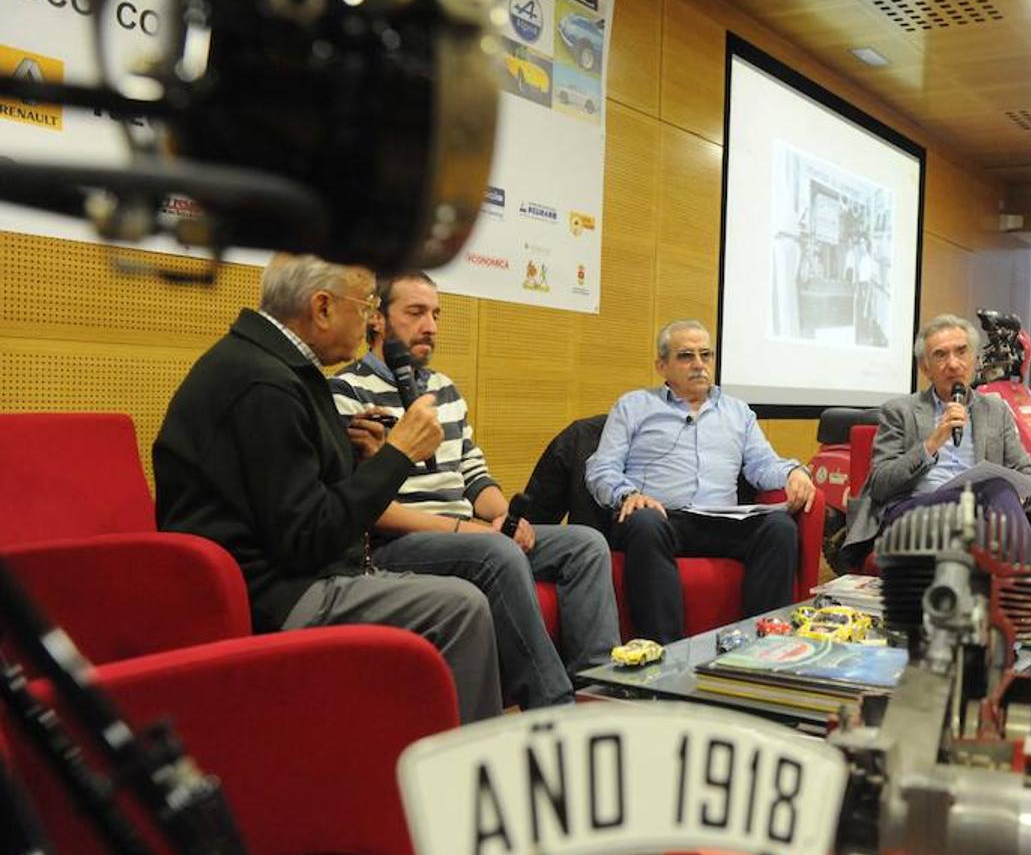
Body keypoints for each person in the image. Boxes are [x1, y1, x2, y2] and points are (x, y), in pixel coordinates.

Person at [154, 254, 502, 723]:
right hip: (273, 595)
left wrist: (361, 460)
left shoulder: (276, 367)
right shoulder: (265, 383)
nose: (369, 321)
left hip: (299, 574)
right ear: (322, 308)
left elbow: (301, 497)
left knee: (460, 597)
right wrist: (399, 454)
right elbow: (307, 538)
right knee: (461, 608)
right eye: (365, 306)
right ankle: (465, 766)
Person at [329, 271, 619, 708]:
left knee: (586, 545)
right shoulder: (347, 391)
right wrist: (472, 532)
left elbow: (474, 473)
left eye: (436, 314)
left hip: (465, 533)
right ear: (378, 320)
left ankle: (600, 691)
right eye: (416, 313)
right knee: (495, 551)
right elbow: (370, 509)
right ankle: (554, 705)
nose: (430, 326)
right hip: (399, 543)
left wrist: (503, 516)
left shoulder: (444, 389)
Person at [585, 319, 816, 643]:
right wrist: (628, 495)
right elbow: (601, 467)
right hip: (660, 517)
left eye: (705, 355)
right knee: (645, 524)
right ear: (662, 366)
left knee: (779, 528)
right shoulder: (634, 406)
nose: (699, 364)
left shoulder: (738, 412)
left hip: (721, 521)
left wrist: (793, 472)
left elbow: (762, 465)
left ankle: (761, 647)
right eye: (686, 356)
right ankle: (665, 651)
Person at [842, 313, 1031, 564]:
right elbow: (881, 484)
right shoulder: (900, 411)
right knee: (994, 489)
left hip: (979, 515)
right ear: (925, 368)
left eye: (961, 352)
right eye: (941, 355)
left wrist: (1014, 501)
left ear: (975, 359)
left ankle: (1022, 577)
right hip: (914, 512)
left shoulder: (995, 410)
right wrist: (932, 443)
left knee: (993, 501)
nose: (953, 364)